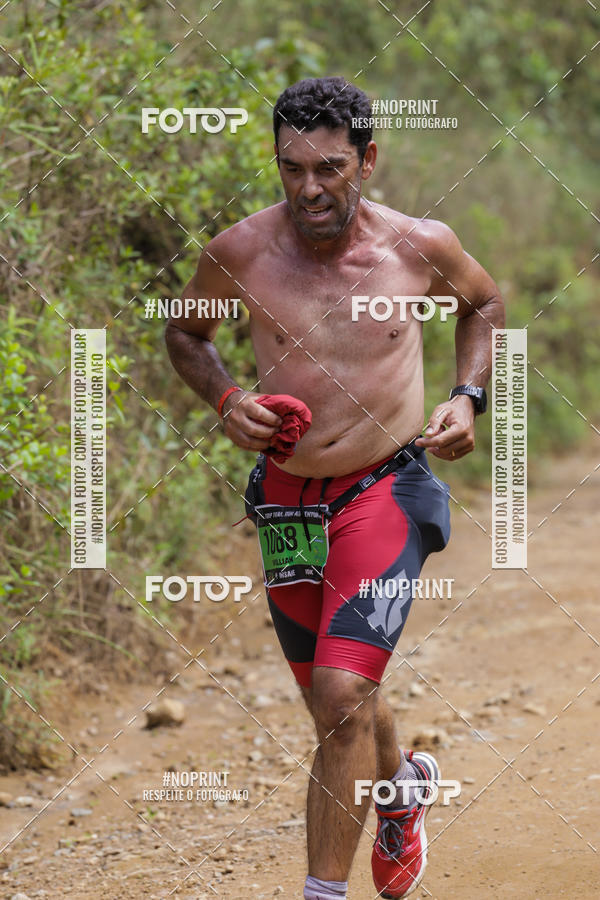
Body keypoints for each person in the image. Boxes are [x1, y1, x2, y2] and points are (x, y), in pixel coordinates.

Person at [165, 76, 505, 899]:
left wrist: (468, 397)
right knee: (336, 703)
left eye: (329, 168)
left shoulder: (419, 245)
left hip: (387, 487)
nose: (310, 188)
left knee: (342, 692)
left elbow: (486, 303)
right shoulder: (238, 252)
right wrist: (226, 399)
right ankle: (404, 790)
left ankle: (322, 893)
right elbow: (184, 330)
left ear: (369, 159)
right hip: (285, 499)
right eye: (292, 170)